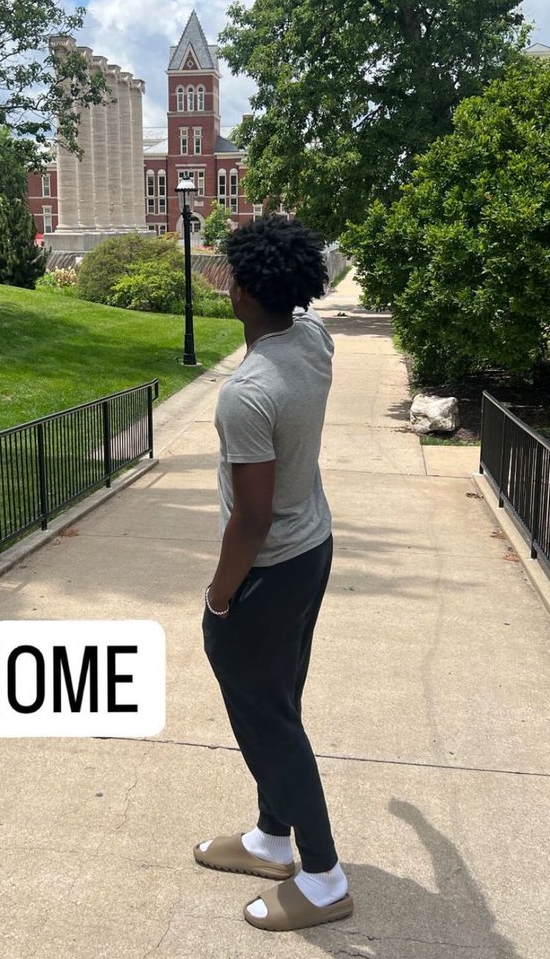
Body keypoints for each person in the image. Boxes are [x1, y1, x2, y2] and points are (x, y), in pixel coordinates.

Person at [195, 215, 353, 932]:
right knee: (277, 702)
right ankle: (271, 837)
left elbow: (250, 518)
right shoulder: (312, 338)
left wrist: (220, 597)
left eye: (231, 274)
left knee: (271, 722)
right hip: (312, 550)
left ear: (244, 294)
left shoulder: (248, 393)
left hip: (267, 571)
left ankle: (322, 877)